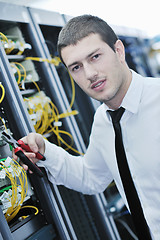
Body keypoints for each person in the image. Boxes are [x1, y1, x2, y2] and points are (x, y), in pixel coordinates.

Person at [14, 15, 160, 239]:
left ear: (118, 51)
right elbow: (91, 177)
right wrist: (45, 150)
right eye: (76, 67)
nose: (90, 74)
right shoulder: (104, 121)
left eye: (95, 57)